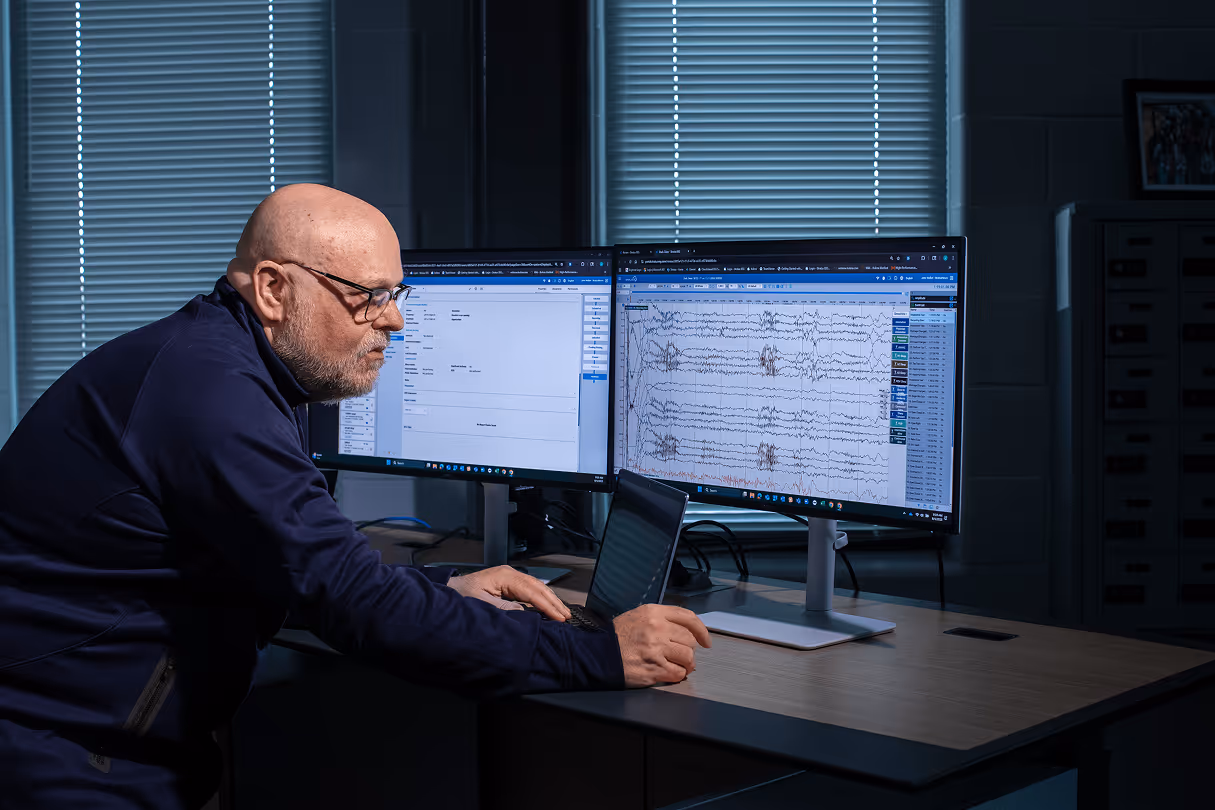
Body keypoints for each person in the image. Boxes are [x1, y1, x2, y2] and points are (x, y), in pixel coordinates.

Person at [0, 184, 711, 809]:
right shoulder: (210, 394)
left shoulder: (225, 364)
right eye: (367, 296)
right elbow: (347, 600)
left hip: (89, 740)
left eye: (394, 295)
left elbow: (292, 571)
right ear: (274, 290)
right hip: (59, 759)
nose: (395, 322)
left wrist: (445, 585)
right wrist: (597, 656)